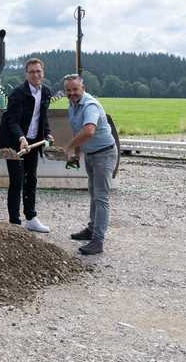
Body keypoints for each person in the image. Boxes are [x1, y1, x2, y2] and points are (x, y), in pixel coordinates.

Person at [0, 57, 54, 233]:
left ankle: (31, 218)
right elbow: (12, 121)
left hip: (33, 143)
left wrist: (47, 133)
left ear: (42, 73)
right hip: (14, 143)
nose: (35, 74)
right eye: (32, 72)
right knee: (17, 180)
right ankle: (14, 222)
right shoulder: (18, 94)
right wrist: (21, 138)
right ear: (26, 74)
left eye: (38, 71)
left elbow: (42, 118)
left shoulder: (46, 92)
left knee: (31, 179)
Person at [63, 74, 117, 255]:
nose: (72, 93)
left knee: (101, 197)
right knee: (93, 192)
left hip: (104, 154)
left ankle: (98, 241)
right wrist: (77, 155)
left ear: (83, 89)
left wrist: (69, 146)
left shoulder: (90, 105)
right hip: (91, 154)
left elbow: (89, 130)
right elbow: (78, 130)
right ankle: (92, 228)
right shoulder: (72, 106)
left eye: (75, 89)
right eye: (68, 90)